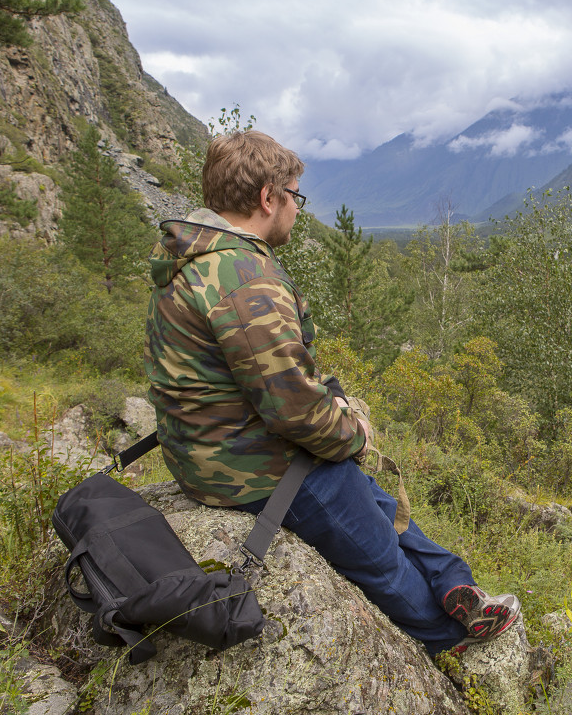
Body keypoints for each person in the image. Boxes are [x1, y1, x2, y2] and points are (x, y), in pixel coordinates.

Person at [143, 129, 518, 655]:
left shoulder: (194, 258)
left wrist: (330, 402)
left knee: (377, 501)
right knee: (377, 551)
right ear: (267, 198)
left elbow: (267, 377)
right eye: (295, 196)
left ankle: (455, 581)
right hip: (246, 466)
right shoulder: (243, 278)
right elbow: (294, 412)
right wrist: (354, 434)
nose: (297, 208)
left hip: (207, 447)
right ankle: (450, 641)